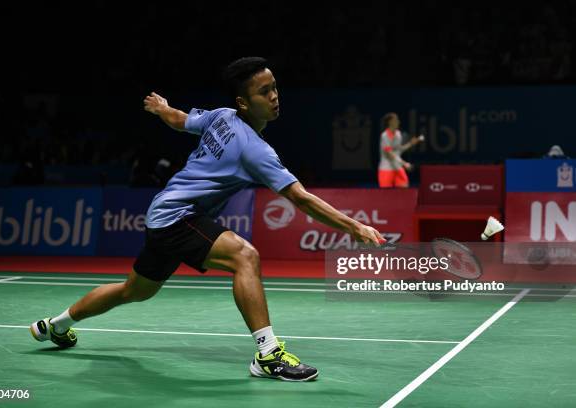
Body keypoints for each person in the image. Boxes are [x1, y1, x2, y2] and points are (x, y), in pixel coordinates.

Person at [30, 57, 386, 382]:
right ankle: (268, 355)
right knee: (245, 256)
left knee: (134, 291)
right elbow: (300, 198)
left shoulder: (221, 116)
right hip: (178, 216)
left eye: (275, 87)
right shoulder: (254, 148)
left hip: (164, 214)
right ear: (244, 103)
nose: (275, 96)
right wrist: (354, 226)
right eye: (265, 91)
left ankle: (55, 326)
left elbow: (180, 120)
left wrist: (162, 108)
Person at [377, 112, 423, 188]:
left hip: (397, 167)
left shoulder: (398, 134)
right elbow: (390, 154)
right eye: (396, 120)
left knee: (404, 189)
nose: (398, 121)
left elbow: (398, 151)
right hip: (386, 168)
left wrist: (411, 143)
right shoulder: (384, 136)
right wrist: (404, 163)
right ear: (390, 122)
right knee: (385, 196)